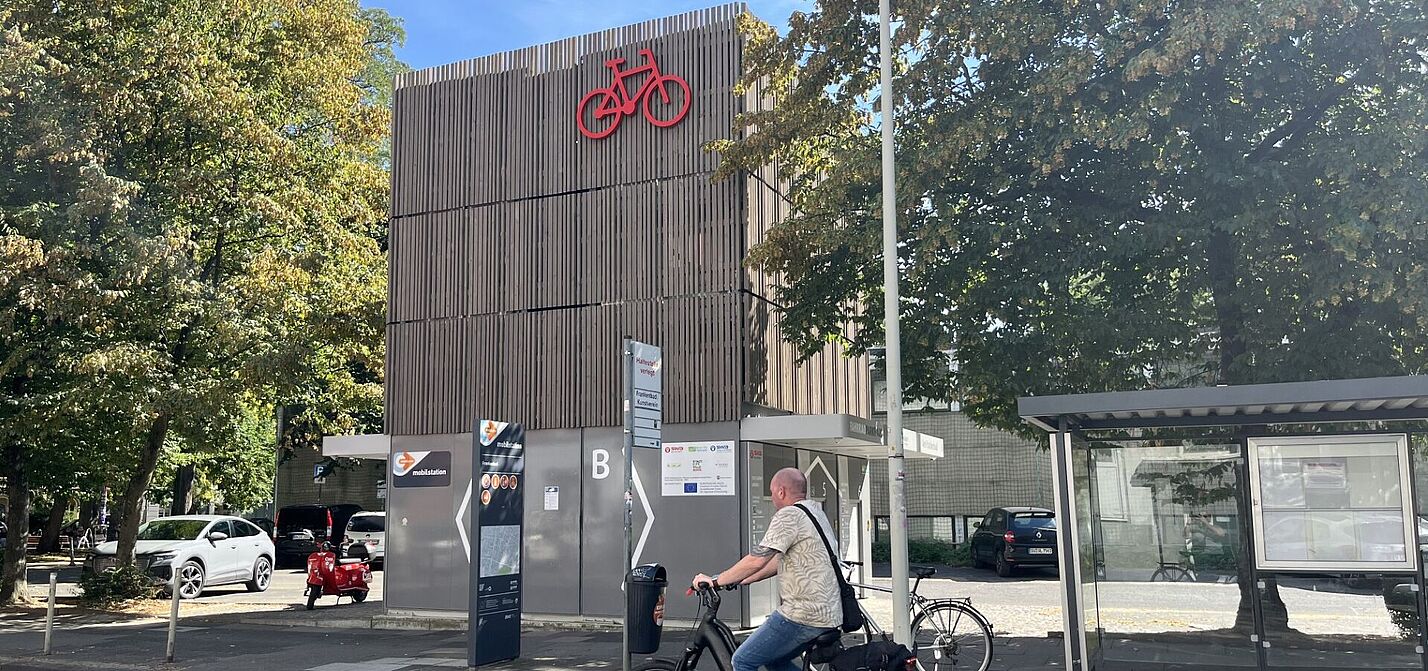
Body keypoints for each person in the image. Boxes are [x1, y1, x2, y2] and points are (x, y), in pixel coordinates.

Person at [691, 468, 841, 671]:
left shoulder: (788, 515)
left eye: (771, 493)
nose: (771, 498)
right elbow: (775, 562)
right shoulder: (814, 512)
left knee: (742, 661)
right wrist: (743, 579)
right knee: (773, 659)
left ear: (781, 491)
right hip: (828, 613)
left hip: (802, 615)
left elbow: (756, 560)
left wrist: (715, 581)